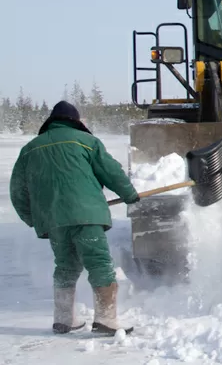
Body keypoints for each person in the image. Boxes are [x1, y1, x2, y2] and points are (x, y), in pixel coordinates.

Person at [9, 101, 140, 335]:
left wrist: (33, 218)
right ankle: (105, 320)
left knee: (65, 266)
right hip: (86, 215)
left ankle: (63, 318)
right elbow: (111, 172)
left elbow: (17, 191)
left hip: (53, 220)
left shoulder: (29, 149)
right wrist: (130, 195)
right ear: (76, 121)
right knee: (99, 264)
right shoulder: (87, 142)